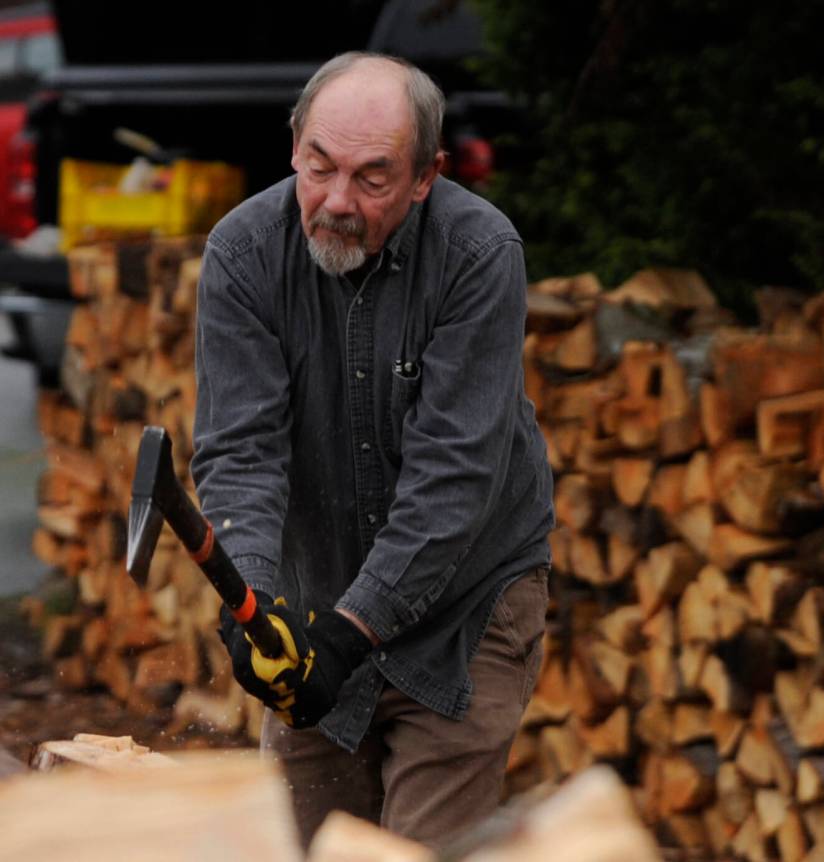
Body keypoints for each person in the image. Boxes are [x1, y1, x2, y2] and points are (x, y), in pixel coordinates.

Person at [190, 51, 553, 849]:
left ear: (425, 177)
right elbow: (241, 453)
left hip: (465, 605)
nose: (336, 203)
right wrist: (252, 603)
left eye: (372, 178)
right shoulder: (244, 255)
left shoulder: (480, 256)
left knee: (414, 850)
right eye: (319, 168)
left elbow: (453, 480)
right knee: (312, 844)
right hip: (315, 590)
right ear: (294, 146)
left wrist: (351, 634)